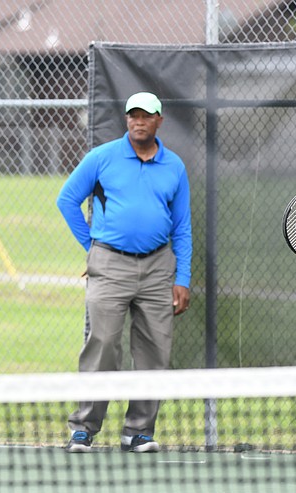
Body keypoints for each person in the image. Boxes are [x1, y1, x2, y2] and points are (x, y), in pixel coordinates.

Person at [56, 92, 192, 453]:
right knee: (102, 345)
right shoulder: (102, 158)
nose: (138, 121)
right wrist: (94, 248)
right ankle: (83, 427)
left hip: (158, 268)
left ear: (159, 120)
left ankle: (138, 432)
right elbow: (66, 199)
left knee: (155, 352)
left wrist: (183, 280)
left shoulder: (174, 166)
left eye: (146, 115)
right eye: (132, 115)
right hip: (109, 265)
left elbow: (182, 228)